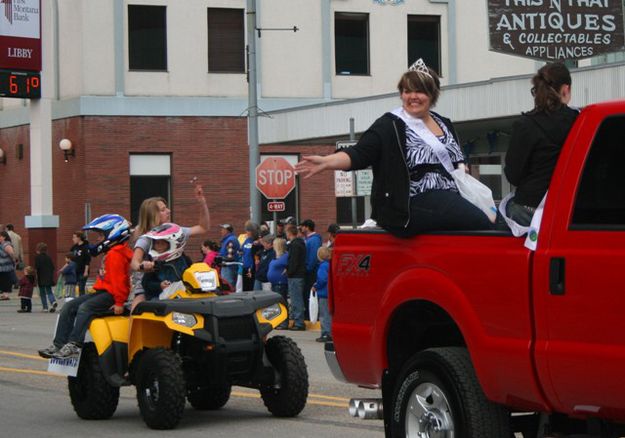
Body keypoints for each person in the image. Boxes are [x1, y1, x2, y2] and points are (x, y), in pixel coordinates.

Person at [295, 59, 493, 237]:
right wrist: (327, 162)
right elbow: (360, 153)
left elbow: (456, 160)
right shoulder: (389, 124)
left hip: (452, 196)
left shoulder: (444, 123)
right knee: (481, 223)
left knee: (496, 222)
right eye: (407, 91)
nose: (413, 96)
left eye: (420, 91)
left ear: (432, 94)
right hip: (411, 202)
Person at [38, 214, 133, 359]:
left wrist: (119, 302)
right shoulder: (111, 252)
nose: (98, 239)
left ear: (113, 234)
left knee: (85, 308)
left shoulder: (116, 254)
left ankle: (74, 345)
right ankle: (59, 344)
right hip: (102, 292)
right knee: (68, 307)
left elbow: (119, 281)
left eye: (101, 235)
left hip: (112, 295)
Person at [504, 62, 579, 226]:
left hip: (529, 207)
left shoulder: (525, 125)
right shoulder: (579, 121)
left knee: (502, 212)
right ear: (565, 90)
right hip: (569, 209)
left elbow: (513, 175)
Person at [129, 183, 210, 310]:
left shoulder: (174, 230)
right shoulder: (146, 238)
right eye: (163, 210)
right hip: (148, 285)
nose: (168, 211)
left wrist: (202, 202)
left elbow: (202, 228)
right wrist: (143, 266)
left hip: (176, 282)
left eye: (166, 208)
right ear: (152, 215)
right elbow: (134, 262)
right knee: (136, 311)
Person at [140, 223, 191, 301]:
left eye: (162, 243)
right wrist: (159, 285)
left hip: (183, 296)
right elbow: (146, 284)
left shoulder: (184, 260)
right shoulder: (154, 262)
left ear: (173, 244)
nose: (158, 246)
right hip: (160, 299)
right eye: (156, 243)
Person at [300, 219, 322, 319]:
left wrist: (307, 269)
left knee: (309, 294)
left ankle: (311, 316)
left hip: (311, 272)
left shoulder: (314, 240)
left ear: (307, 227)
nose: (301, 228)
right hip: (308, 271)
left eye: (302, 226)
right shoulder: (309, 239)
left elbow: (313, 257)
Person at [285, 224, 306, 331]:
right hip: (298, 275)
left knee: (296, 300)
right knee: (296, 299)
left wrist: (289, 271)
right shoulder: (300, 244)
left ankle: (299, 323)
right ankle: (298, 321)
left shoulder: (294, 245)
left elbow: (294, 261)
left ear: (289, 233)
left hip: (295, 276)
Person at [267, 237, 289, 329]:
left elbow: (288, 266)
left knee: (281, 303)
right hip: (274, 283)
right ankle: (278, 321)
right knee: (276, 304)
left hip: (281, 283)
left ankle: (284, 323)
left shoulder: (286, 256)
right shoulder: (276, 256)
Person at [313, 246, 332, 343]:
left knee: (324, 315)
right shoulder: (329, 265)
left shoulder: (322, 266)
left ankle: (325, 333)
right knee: (329, 314)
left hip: (323, 293)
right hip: (329, 293)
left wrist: (316, 286)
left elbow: (322, 279)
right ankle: (330, 333)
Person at [34, 242, 57, 312]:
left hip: (41, 277)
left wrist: (35, 277)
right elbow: (53, 267)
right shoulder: (48, 257)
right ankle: (53, 301)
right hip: (49, 277)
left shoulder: (37, 257)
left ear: (38, 250)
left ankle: (45, 307)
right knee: (49, 291)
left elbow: (36, 267)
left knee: (42, 293)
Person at [218, 224, 240, 289]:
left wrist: (221, 259)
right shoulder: (229, 239)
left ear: (227, 231)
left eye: (222, 229)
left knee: (228, 286)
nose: (221, 231)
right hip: (229, 267)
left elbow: (230, 256)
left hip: (228, 267)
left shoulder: (230, 240)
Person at [70, 231, 91, 296]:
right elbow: (70, 257)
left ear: (79, 238)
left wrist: (86, 271)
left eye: (74, 237)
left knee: (81, 287)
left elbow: (87, 260)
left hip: (83, 270)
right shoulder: (74, 247)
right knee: (75, 286)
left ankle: (82, 301)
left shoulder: (85, 247)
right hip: (75, 270)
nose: (73, 239)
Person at [241, 222, 260, 291]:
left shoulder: (256, 242)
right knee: (245, 288)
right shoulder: (246, 240)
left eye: (248, 230)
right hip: (245, 267)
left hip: (251, 268)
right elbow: (242, 250)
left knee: (250, 287)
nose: (246, 232)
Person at [0, 231, 17, 300]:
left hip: (6, 267)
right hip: (1, 267)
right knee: (2, 280)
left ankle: (5, 295)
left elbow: (12, 253)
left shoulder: (6, 245)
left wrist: (13, 261)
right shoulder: (1, 244)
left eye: (0, 236)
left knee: (5, 280)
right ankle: (4, 294)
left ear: (4, 237)